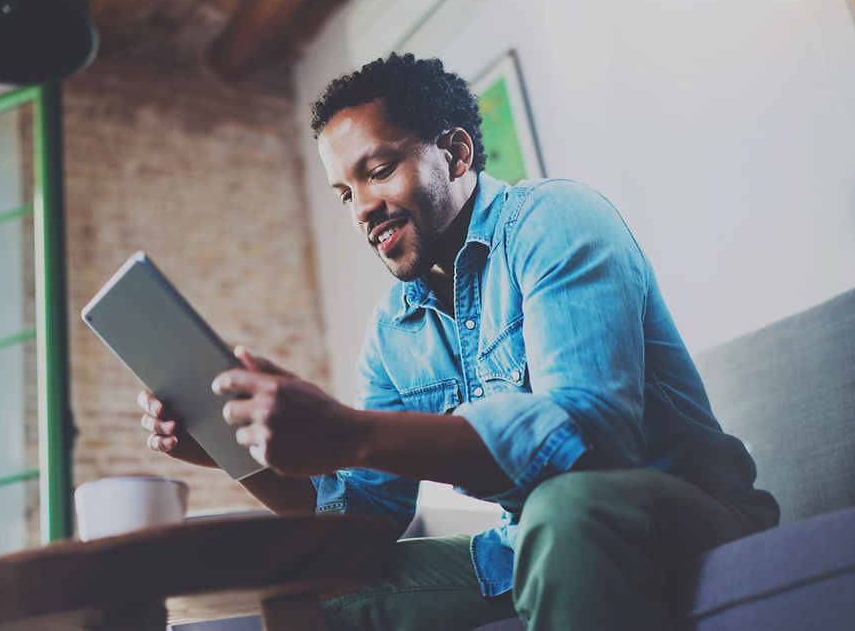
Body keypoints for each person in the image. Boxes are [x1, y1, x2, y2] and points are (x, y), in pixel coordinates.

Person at [137, 53, 778, 630]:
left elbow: (590, 436)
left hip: (688, 516)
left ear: (457, 153)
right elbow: (365, 520)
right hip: (531, 542)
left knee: (567, 506)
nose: (361, 207)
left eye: (379, 170)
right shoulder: (393, 333)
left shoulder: (553, 219)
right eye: (345, 191)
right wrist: (234, 448)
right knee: (313, 593)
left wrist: (347, 431)